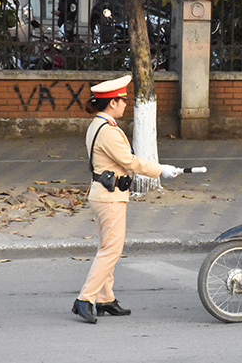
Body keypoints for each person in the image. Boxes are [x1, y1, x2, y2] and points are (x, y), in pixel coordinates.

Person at [72, 75, 181, 324]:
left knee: (107, 248)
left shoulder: (99, 125)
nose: (125, 104)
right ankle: (85, 299)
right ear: (111, 103)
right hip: (109, 198)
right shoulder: (109, 131)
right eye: (122, 100)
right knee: (111, 250)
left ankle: (106, 298)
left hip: (104, 194)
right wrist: (160, 169)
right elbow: (130, 162)